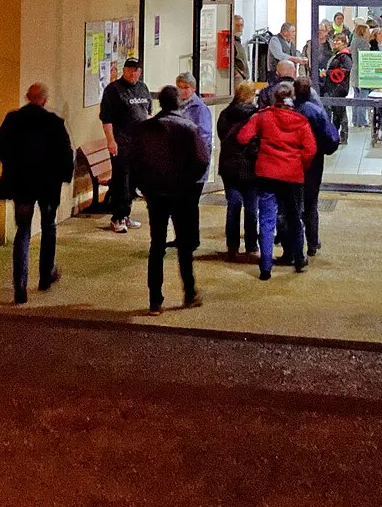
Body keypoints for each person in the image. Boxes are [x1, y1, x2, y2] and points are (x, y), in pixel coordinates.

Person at [129, 85, 211, 314]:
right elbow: (202, 160)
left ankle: (155, 299)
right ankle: (189, 292)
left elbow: (134, 161)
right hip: (181, 193)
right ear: (177, 102)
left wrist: (144, 186)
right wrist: (188, 182)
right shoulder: (188, 128)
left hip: (155, 194)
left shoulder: (145, 129)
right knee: (184, 246)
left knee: (157, 246)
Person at [0, 84, 72, 304]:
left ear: (27, 97)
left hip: (22, 185)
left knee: (23, 231)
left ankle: (20, 286)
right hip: (47, 186)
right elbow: (66, 154)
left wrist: (15, 166)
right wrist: (63, 177)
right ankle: (45, 275)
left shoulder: (13, 120)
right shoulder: (54, 123)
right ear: (44, 100)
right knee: (49, 227)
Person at [236, 83, 317, 278]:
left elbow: (242, 137)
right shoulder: (301, 121)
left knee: (266, 219)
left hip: (267, 173)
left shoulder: (263, 116)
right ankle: (299, 260)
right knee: (294, 218)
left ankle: (265, 267)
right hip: (292, 176)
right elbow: (310, 150)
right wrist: (299, 165)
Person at [97, 57, 153, 233]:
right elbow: (107, 119)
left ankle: (126, 214)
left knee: (133, 181)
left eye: (136, 69)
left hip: (139, 144)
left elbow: (148, 112)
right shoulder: (113, 90)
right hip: (121, 142)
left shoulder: (143, 88)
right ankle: (117, 217)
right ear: (124, 70)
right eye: (129, 69)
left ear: (140, 71)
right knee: (122, 180)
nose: (133, 72)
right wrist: (111, 140)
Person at [214, 80, 262, 258]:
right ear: (251, 96)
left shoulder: (226, 114)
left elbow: (221, 135)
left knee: (233, 205)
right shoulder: (256, 115)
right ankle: (251, 244)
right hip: (251, 166)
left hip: (230, 166)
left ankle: (232, 245)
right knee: (251, 207)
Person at [294, 76, 341, 257]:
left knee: (291, 203)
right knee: (311, 203)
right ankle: (312, 243)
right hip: (313, 163)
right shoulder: (316, 111)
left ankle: (292, 244)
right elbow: (330, 138)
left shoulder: (289, 110)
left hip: (292, 162)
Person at [174, 72, 212, 137]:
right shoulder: (175, 105)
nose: (182, 91)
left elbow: (204, 135)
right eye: (180, 87)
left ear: (193, 88)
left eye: (186, 87)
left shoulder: (200, 108)